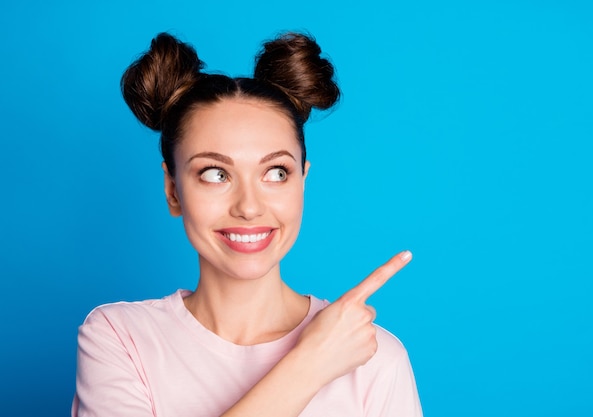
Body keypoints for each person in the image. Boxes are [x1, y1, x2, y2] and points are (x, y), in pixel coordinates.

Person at [72, 31, 423, 417]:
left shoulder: (374, 357)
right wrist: (310, 366)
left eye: (275, 173)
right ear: (173, 190)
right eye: (215, 174)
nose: (249, 207)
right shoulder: (121, 338)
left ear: (303, 182)